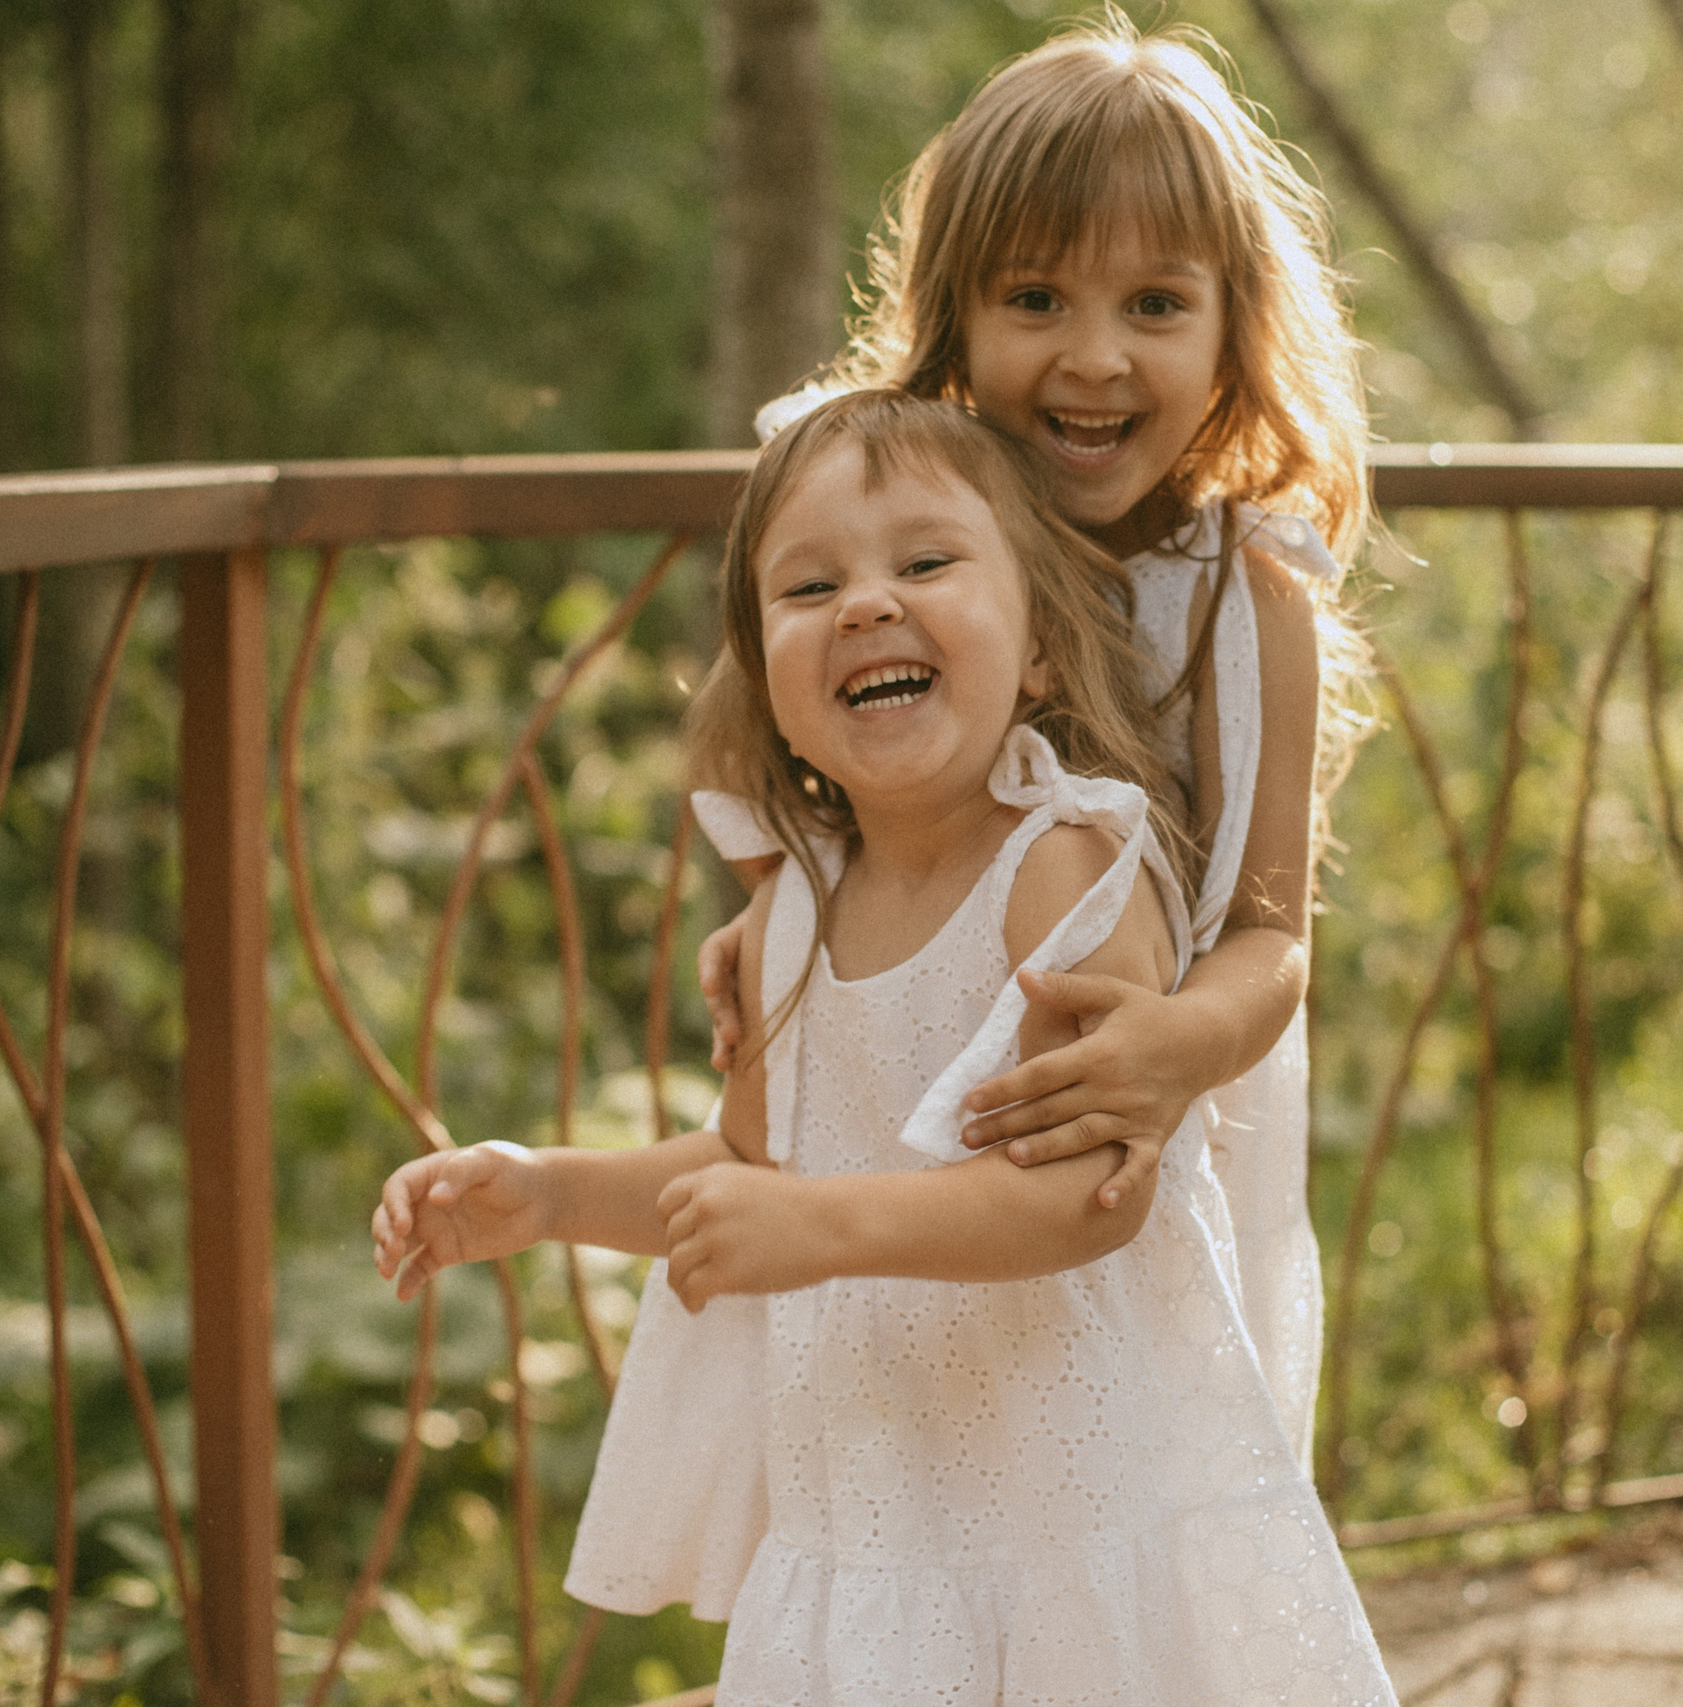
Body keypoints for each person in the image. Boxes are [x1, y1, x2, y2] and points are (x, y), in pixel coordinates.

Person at [375, 392, 1388, 1705]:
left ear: (1038, 646)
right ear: (770, 688)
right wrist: (552, 1193)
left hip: (1072, 1523)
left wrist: (821, 1230)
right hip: (871, 1523)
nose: (865, 605)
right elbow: (754, 1167)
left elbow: (1089, 1194)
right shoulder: (791, 911)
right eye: (810, 587)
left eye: (925, 564)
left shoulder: (1065, 864)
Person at [694, 13, 1374, 1472]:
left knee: (1130, 1504)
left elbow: (1271, 934)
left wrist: (1184, 1042)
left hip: (1127, 1137)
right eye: (1037, 297)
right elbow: (780, 749)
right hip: (899, 1144)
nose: (1095, 357)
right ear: (956, 312)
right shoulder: (886, 535)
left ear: (1233, 324)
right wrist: (778, 906)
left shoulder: (1242, 599)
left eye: (1156, 304)